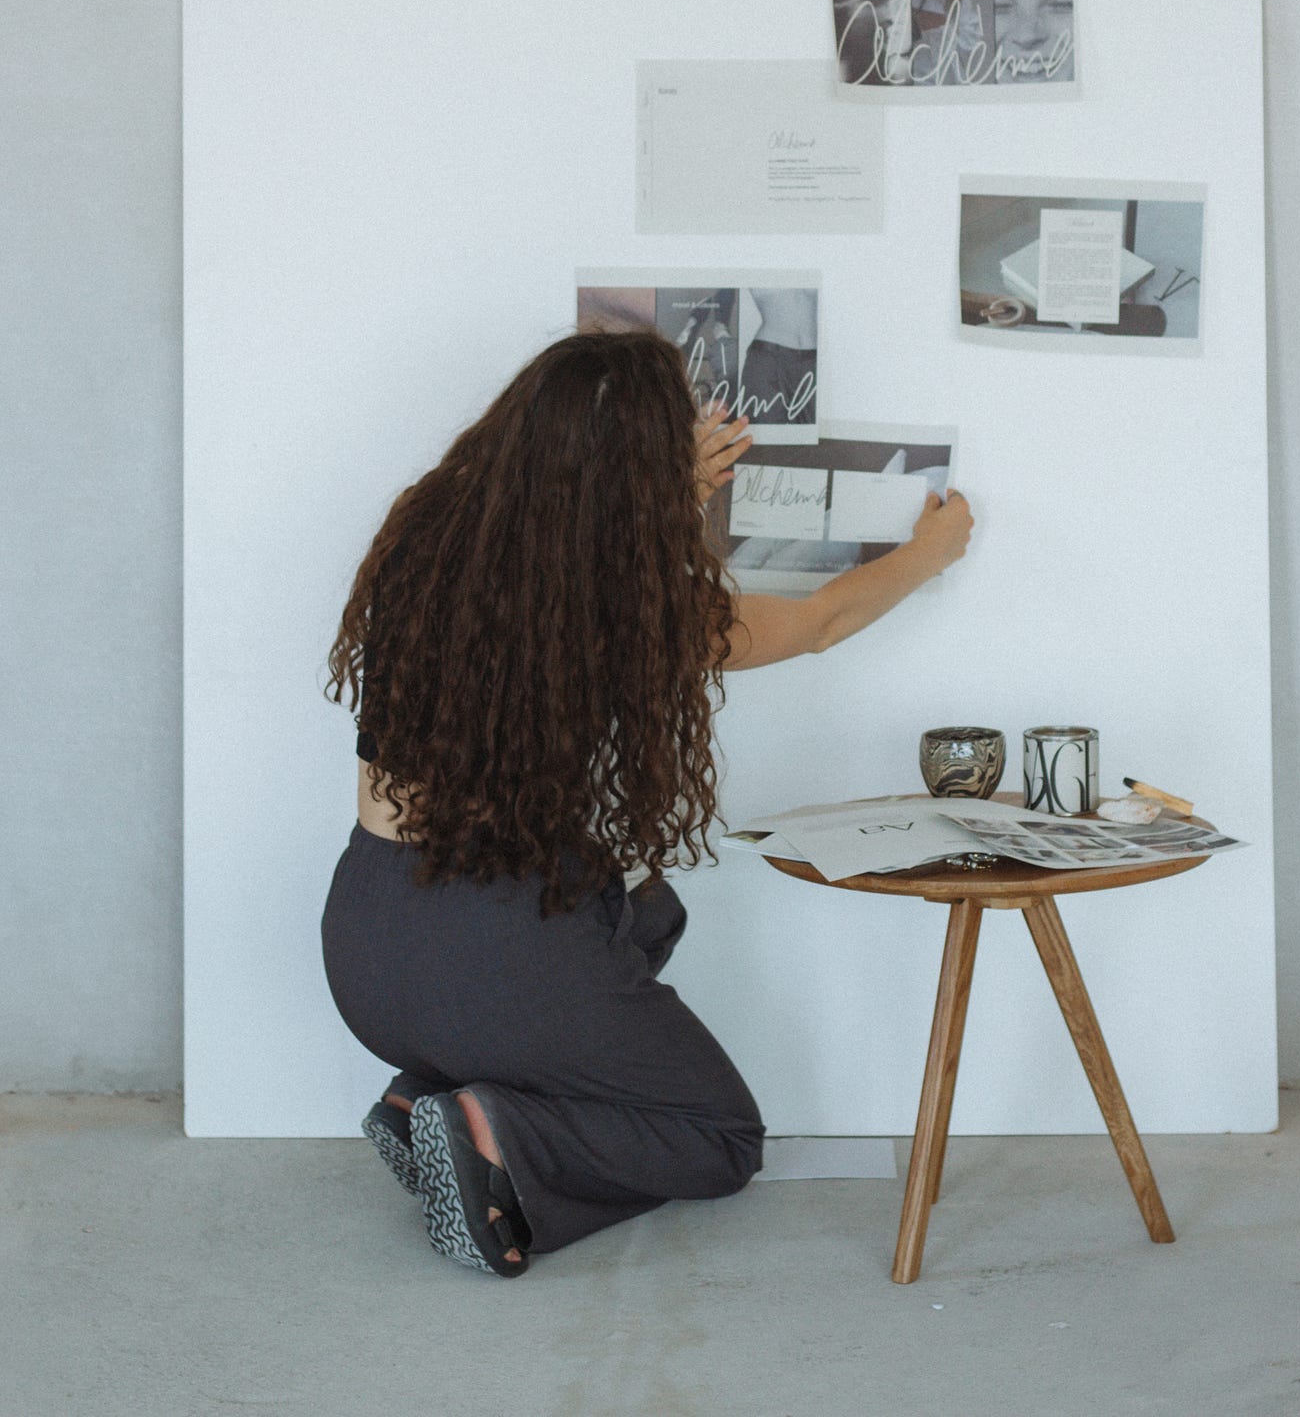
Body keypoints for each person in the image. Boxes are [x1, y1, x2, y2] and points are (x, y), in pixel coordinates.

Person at [319, 329, 973, 1277]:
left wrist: (662, 492)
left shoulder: (427, 527)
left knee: (648, 909)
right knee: (716, 1134)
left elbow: (564, 549)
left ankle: (423, 1099)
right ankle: (492, 1131)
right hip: (489, 955)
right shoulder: (633, 603)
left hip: (365, 944)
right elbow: (820, 622)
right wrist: (931, 552)